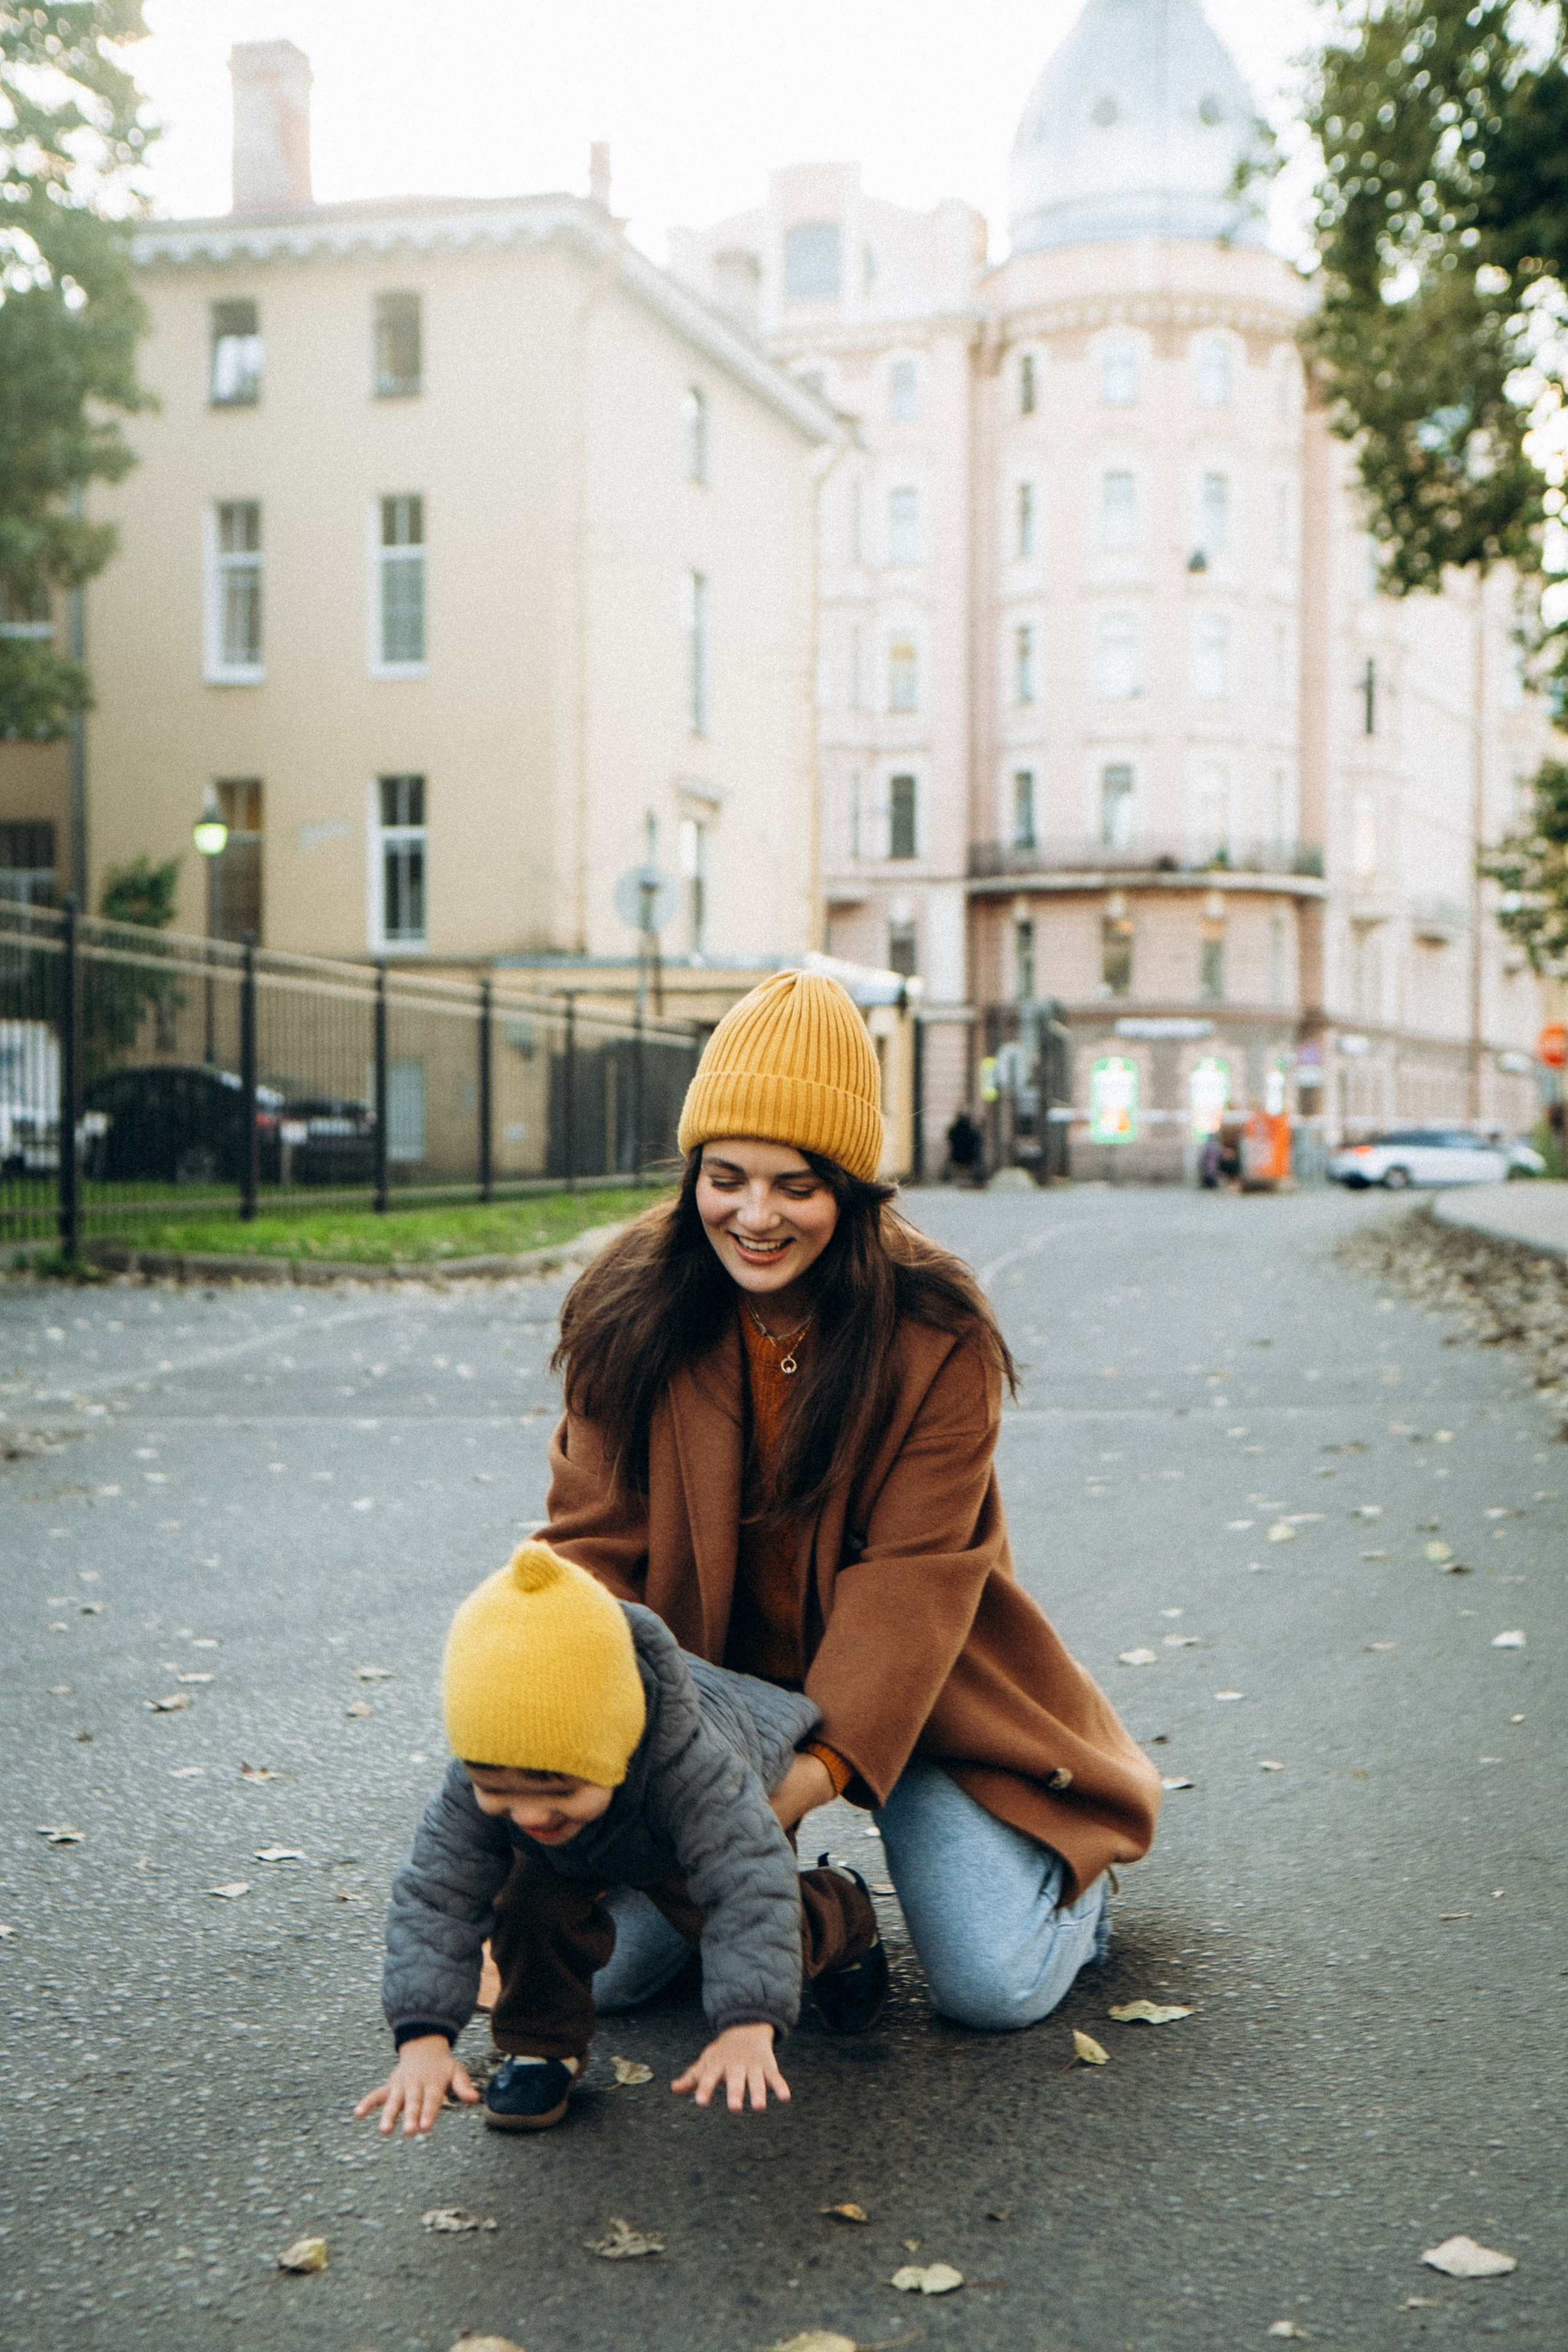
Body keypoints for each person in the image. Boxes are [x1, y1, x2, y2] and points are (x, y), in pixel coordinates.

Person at [536, 968, 1161, 2040]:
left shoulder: (935, 1330)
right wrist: (575, 1756)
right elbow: (590, 1549)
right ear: (694, 1172)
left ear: (854, 1192)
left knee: (989, 1987)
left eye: (798, 1186)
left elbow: (914, 1581)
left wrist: (801, 1785)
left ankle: (1076, 1894)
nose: (757, 1216)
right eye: (727, 1178)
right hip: (707, 1707)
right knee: (600, 1981)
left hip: (915, 1697)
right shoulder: (628, 1307)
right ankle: (814, 1911)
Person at [355, 1541, 884, 2137]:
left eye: (555, 1787)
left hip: (685, 1830)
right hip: (594, 1839)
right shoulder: (484, 1763)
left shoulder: (692, 1765)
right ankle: (541, 2045)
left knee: (727, 1921)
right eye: (495, 1787)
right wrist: (422, 2040)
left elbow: (747, 1891)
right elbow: (436, 1896)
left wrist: (746, 2025)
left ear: (615, 1749)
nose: (529, 1812)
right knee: (527, 1902)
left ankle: (844, 1914)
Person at [944, 1107, 984, 1186]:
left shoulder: (955, 1131)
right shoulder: (971, 1131)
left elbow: (949, 1137)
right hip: (967, 1156)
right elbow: (978, 1139)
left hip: (959, 1156)